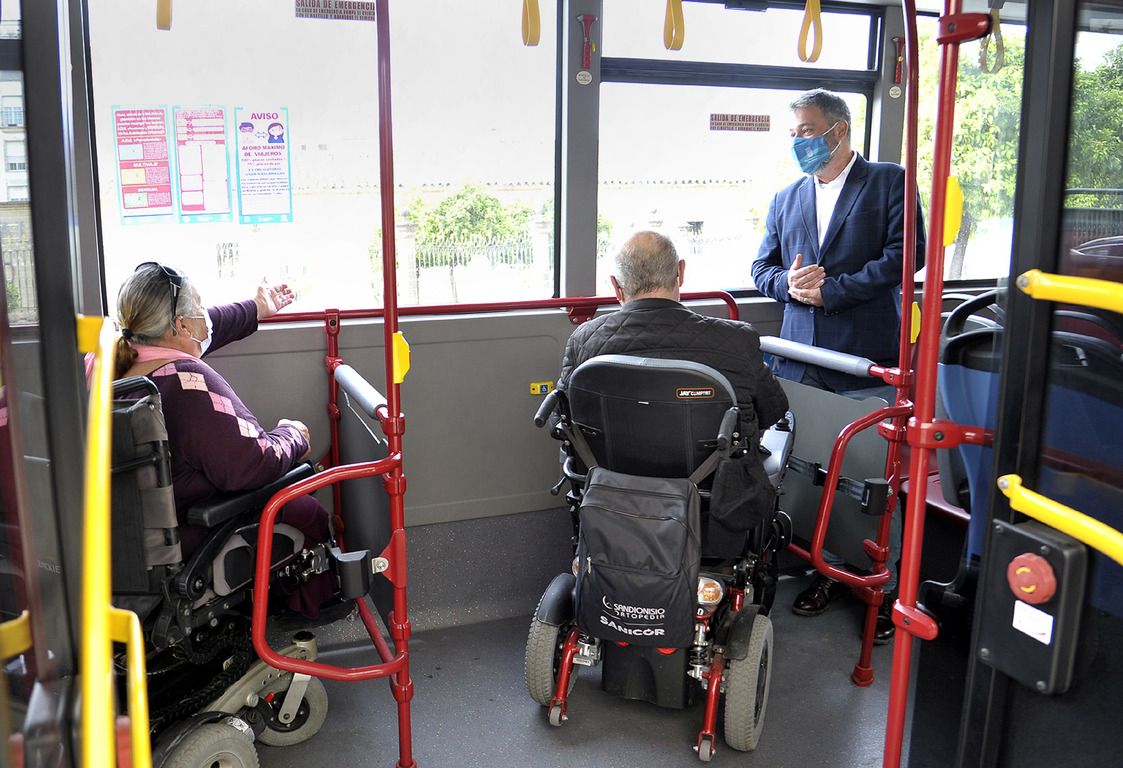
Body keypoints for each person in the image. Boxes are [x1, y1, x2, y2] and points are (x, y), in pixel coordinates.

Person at [751, 89, 926, 642]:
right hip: (802, 358)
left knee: (872, 478)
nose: (799, 141)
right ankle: (826, 569)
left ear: (840, 131)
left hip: (864, 356)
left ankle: (882, 584)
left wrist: (835, 293)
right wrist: (790, 287)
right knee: (810, 473)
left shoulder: (888, 182)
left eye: (807, 131)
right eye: (794, 133)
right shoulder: (786, 197)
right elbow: (762, 267)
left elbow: (906, 257)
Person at [113, 263, 332, 619]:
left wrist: (255, 309)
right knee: (305, 507)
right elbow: (251, 464)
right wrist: (293, 434)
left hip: (127, 548)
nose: (207, 317)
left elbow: (210, 326)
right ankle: (308, 614)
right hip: (192, 536)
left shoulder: (108, 366)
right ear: (180, 326)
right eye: (200, 307)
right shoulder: (186, 381)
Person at [559, 231, 789, 538]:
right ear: (680, 272)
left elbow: (562, 420)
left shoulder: (584, 341)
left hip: (614, 495)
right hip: (715, 503)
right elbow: (774, 410)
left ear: (616, 286)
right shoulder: (736, 339)